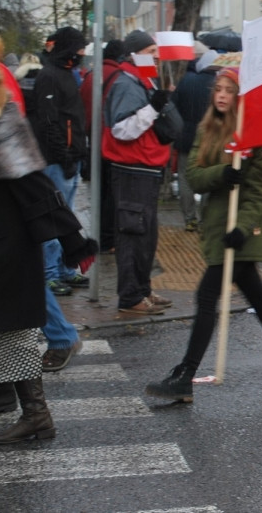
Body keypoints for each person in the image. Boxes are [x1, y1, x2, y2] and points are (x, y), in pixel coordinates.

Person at [146, 67, 262, 402]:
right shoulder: (207, 127)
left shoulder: (257, 132)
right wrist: (224, 173)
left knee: (207, 297)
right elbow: (193, 175)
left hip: (245, 230)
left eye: (229, 90)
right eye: (218, 89)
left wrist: (242, 228)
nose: (221, 95)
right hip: (218, 227)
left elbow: (260, 189)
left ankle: (185, 374)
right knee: (258, 299)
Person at [0, 21, 97, 442]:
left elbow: (36, 187)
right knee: (12, 334)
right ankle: (36, 416)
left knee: (7, 331)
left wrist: (72, 240)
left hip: (3, 250)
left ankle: (30, 412)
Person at [103, 30, 174, 315]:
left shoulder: (139, 80)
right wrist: (153, 108)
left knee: (145, 233)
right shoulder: (125, 82)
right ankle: (131, 296)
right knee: (133, 233)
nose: (157, 59)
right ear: (136, 54)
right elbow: (122, 129)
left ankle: (142, 289)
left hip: (144, 168)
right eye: (152, 53)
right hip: (132, 168)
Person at [29, 26, 91, 297]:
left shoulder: (68, 73)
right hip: (57, 160)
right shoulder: (49, 75)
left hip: (71, 157)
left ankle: (65, 269)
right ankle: (50, 274)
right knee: (54, 219)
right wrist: (65, 155)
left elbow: (73, 118)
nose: (82, 54)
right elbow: (49, 121)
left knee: (67, 219)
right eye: (78, 49)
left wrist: (81, 153)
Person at [80, 39, 126, 252]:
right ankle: (108, 239)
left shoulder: (91, 76)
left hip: (93, 140)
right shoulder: (118, 77)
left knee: (98, 191)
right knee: (111, 193)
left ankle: (98, 234)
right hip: (112, 142)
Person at [171, 45, 216, 232]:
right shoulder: (217, 84)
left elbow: (174, 107)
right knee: (208, 177)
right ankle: (205, 219)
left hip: (185, 136)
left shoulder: (185, 81)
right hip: (209, 137)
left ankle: (189, 218)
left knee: (184, 177)